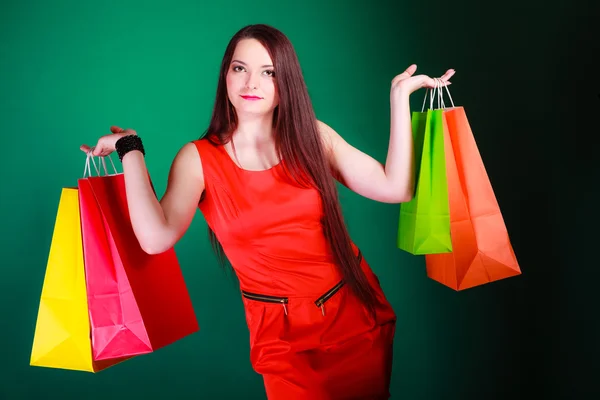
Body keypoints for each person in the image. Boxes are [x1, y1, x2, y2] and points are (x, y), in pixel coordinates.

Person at [80, 24, 454, 400]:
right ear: (225, 74)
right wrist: (131, 149)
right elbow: (154, 238)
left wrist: (399, 95)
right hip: (280, 337)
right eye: (240, 68)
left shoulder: (313, 136)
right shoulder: (199, 159)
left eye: (268, 72)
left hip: (353, 316)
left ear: (285, 82)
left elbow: (395, 187)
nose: (251, 83)